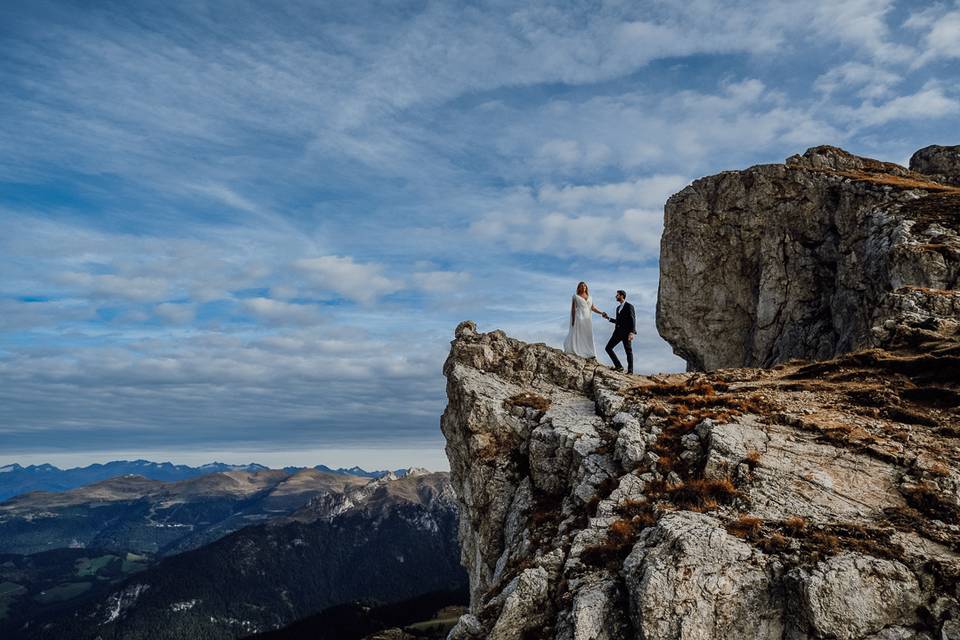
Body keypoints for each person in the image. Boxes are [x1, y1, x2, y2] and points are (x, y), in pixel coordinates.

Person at [563, 282, 604, 358]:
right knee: (579, 334)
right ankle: (579, 350)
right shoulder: (575, 296)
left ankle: (589, 352)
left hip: (587, 319)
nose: (583, 287)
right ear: (578, 288)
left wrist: (601, 313)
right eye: (581, 286)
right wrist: (573, 320)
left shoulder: (590, 297)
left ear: (586, 288)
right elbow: (573, 309)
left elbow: (593, 308)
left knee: (587, 334)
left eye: (584, 286)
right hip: (579, 317)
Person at [602, 289, 636, 374]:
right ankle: (619, 366)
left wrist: (632, 332)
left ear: (621, 296)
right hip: (617, 333)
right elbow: (618, 321)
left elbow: (633, 319)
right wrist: (608, 318)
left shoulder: (629, 306)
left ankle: (630, 371)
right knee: (608, 348)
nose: (616, 296)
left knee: (628, 351)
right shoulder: (618, 308)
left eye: (617, 295)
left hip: (626, 333)